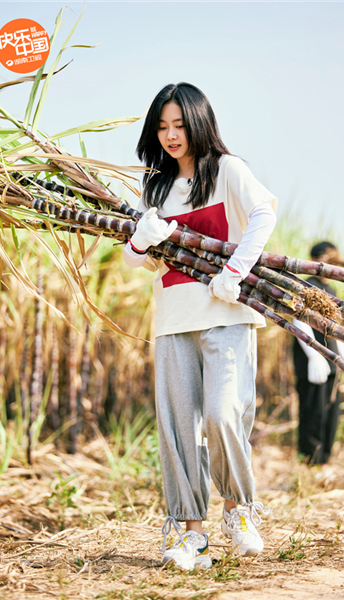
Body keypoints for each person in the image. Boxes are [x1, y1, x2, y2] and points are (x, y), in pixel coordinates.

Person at [123, 82, 277, 570]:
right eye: (162, 127)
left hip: (226, 314)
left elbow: (263, 213)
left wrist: (235, 274)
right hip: (173, 319)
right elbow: (136, 264)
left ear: (199, 123)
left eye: (179, 125)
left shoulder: (228, 170)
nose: (171, 135)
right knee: (177, 429)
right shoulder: (157, 187)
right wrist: (140, 243)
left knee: (221, 413)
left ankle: (239, 510)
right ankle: (191, 533)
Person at [292, 242, 344, 465]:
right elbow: (297, 319)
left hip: (332, 360)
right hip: (313, 361)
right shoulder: (308, 285)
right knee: (312, 410)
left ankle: (324, 460)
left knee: (330, 411)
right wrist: (314, 355)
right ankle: (309, 462)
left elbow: (338, 330)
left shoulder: (332, 290)